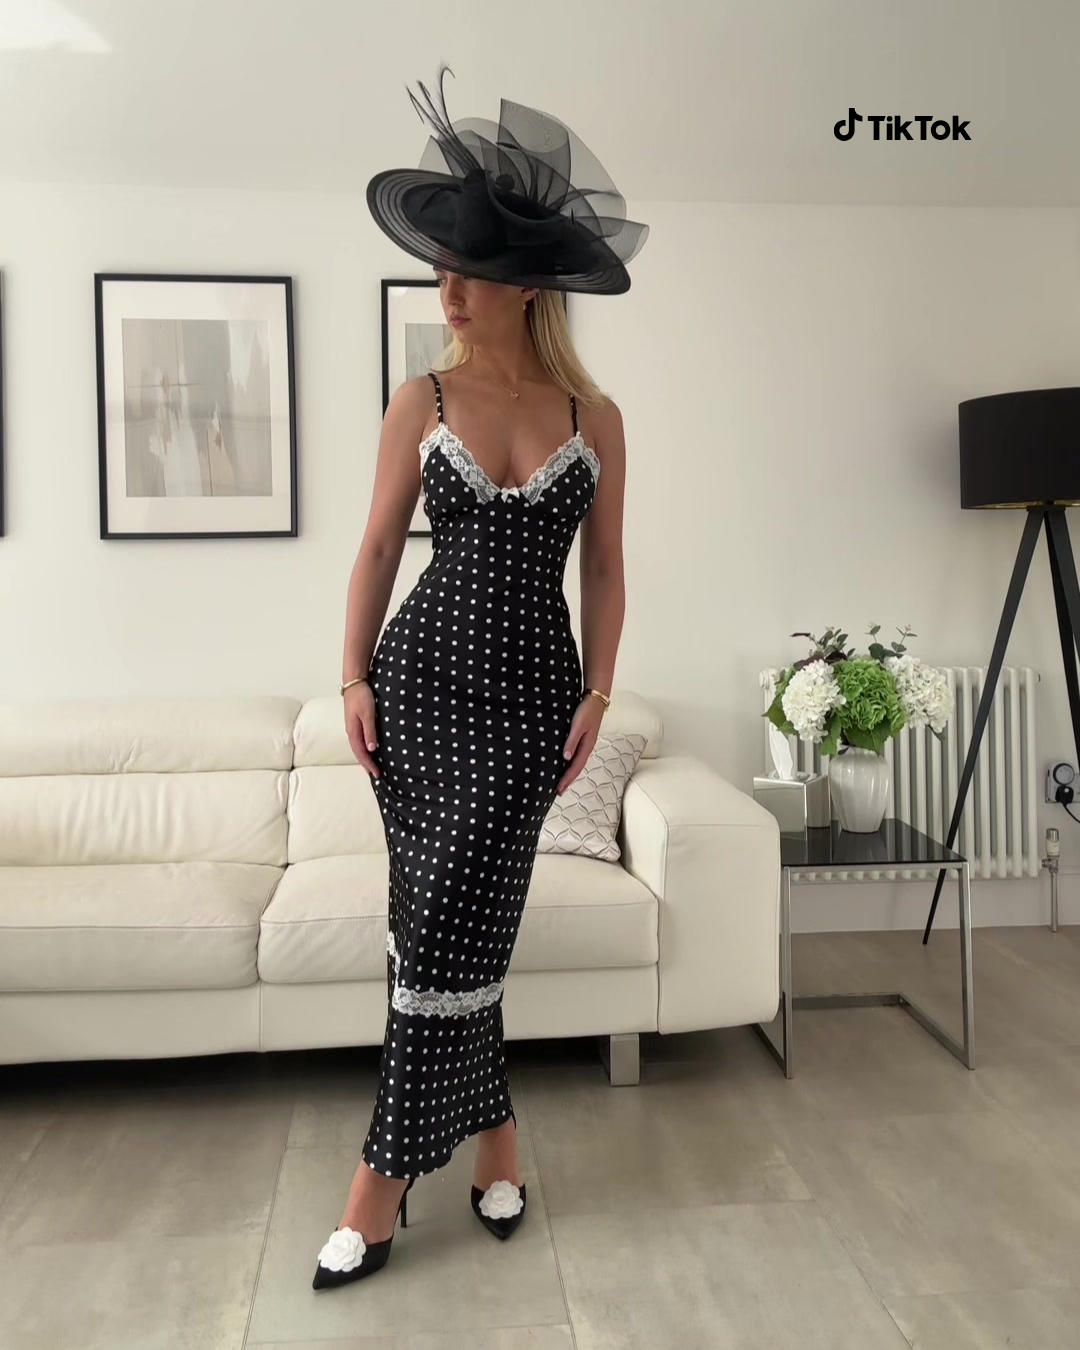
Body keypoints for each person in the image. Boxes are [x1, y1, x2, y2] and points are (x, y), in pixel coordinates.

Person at [313, 63, 648, 1290]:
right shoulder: (424, 397)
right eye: (441, 266)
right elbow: (375, 548)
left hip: (530, 704)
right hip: (419, 687)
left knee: (460, 924)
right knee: (440, 927)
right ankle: (448, 1163)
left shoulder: (595, 418)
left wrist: (599, 694)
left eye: (469, 268)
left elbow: (605, 569)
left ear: (527, 283)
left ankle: (398, 1176)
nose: (446, 287)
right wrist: (351, 679)